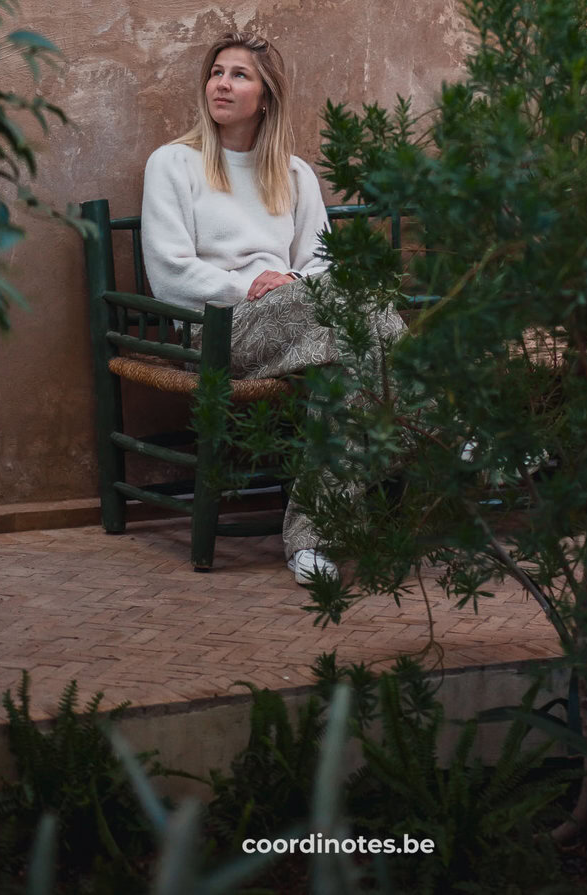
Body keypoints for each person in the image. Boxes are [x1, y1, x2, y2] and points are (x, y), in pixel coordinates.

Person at [140, 31, 405, 584]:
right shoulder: (172, 165)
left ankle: (312, 544)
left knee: (347, 368)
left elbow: (321, 263)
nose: (222, 83)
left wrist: (288, 284)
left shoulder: (293, 173)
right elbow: (169, 272)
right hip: (219, 330)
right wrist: (251, 289)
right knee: (361, 308)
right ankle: (449, 421)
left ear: (266, 97)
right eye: (216, 72)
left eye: (239, 75)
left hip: (304, 327)